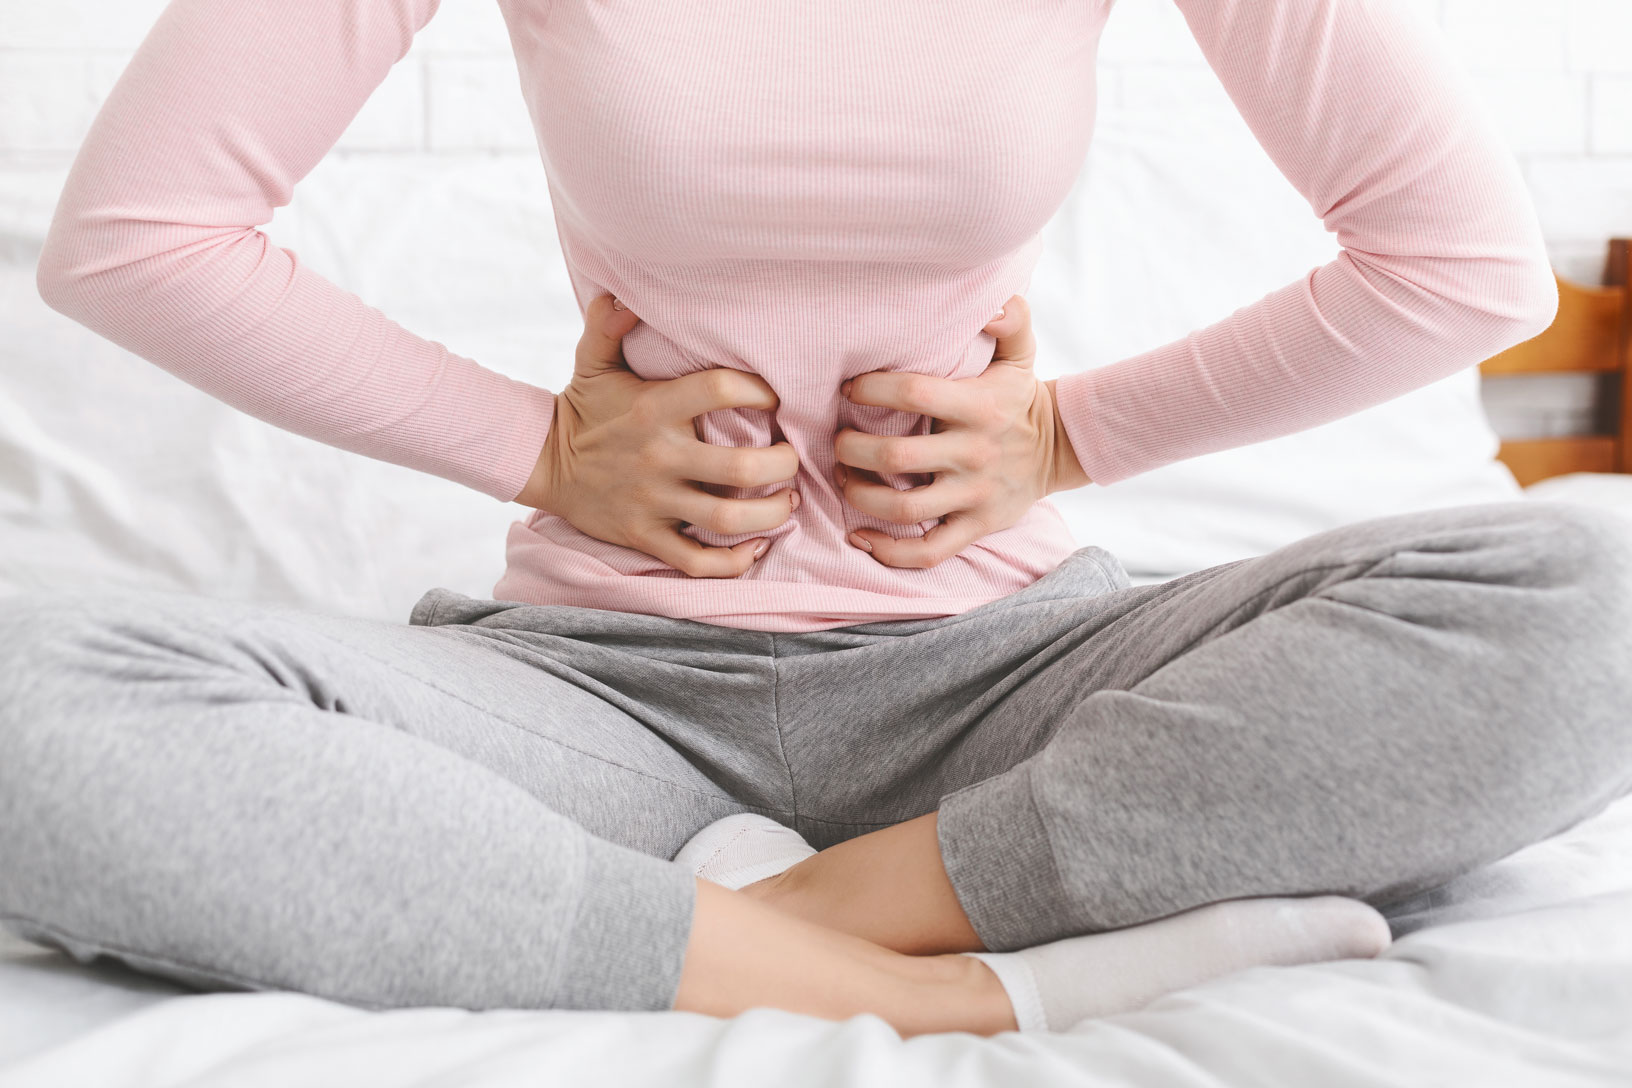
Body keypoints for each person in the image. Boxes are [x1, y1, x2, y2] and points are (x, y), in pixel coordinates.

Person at [5, 0, 1631, 1038]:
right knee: (29, 692)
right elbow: (141, 237)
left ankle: (787, 927)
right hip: (602, 696)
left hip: (1018, 672)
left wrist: (1070, 432)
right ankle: (950, 994)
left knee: (1591, 598)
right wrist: (540, 452)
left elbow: (1458, 264)